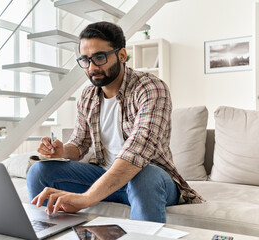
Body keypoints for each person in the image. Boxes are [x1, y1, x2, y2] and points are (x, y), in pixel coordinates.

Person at [27, 21, 204, 223]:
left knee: (144, 176)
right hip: (102, 176)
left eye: (99, 57)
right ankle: (49, 232)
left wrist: (87, 198)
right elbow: (79, 143)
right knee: (39, 172)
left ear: (121, 55)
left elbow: (137, 151)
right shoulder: (87, 95)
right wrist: (63, 152)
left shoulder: (150, 88)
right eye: (85, 60)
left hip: (150, 179)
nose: (92, 67)